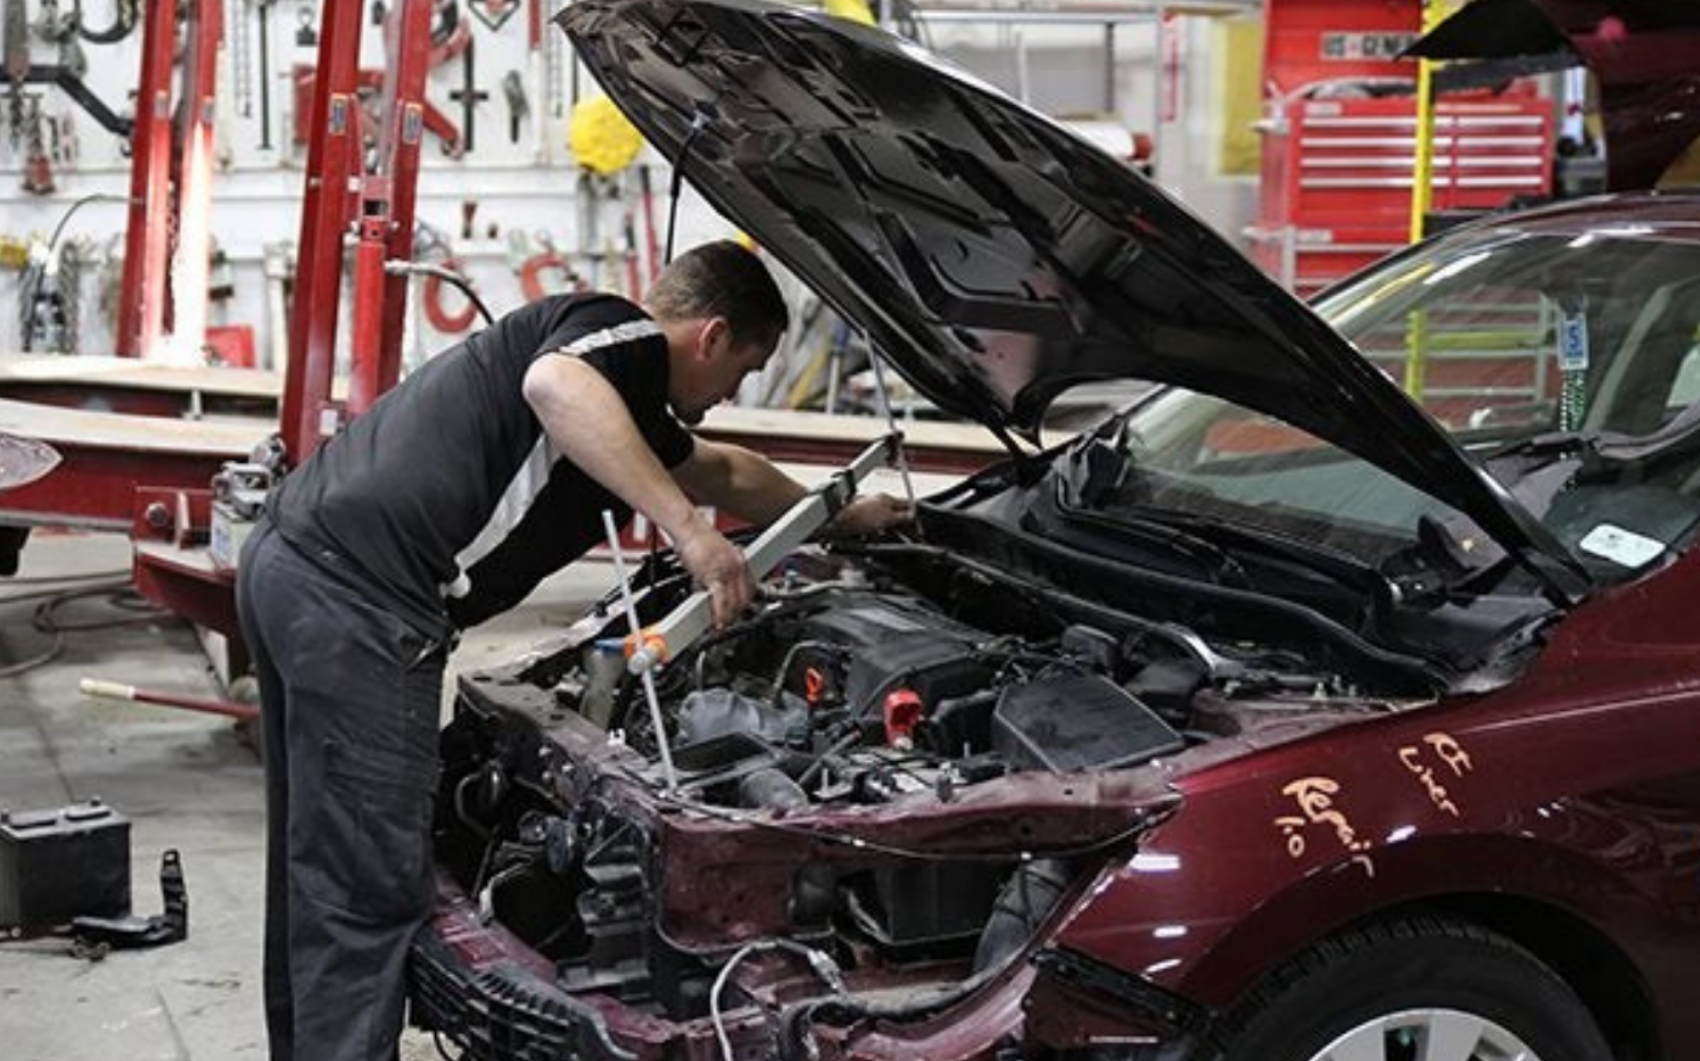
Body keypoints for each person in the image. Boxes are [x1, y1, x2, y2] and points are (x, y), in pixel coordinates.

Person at [235, 240, 911, 1061]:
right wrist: (691, 535)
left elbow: (727, 472)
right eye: (740, 371)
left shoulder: (628, 402)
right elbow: (555, 386)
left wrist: (838, 514)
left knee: (318, 867)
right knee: (367, 893)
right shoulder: (616, 336)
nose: (730, 395)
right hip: (361, 602)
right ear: (711, 334)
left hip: (299, 568)